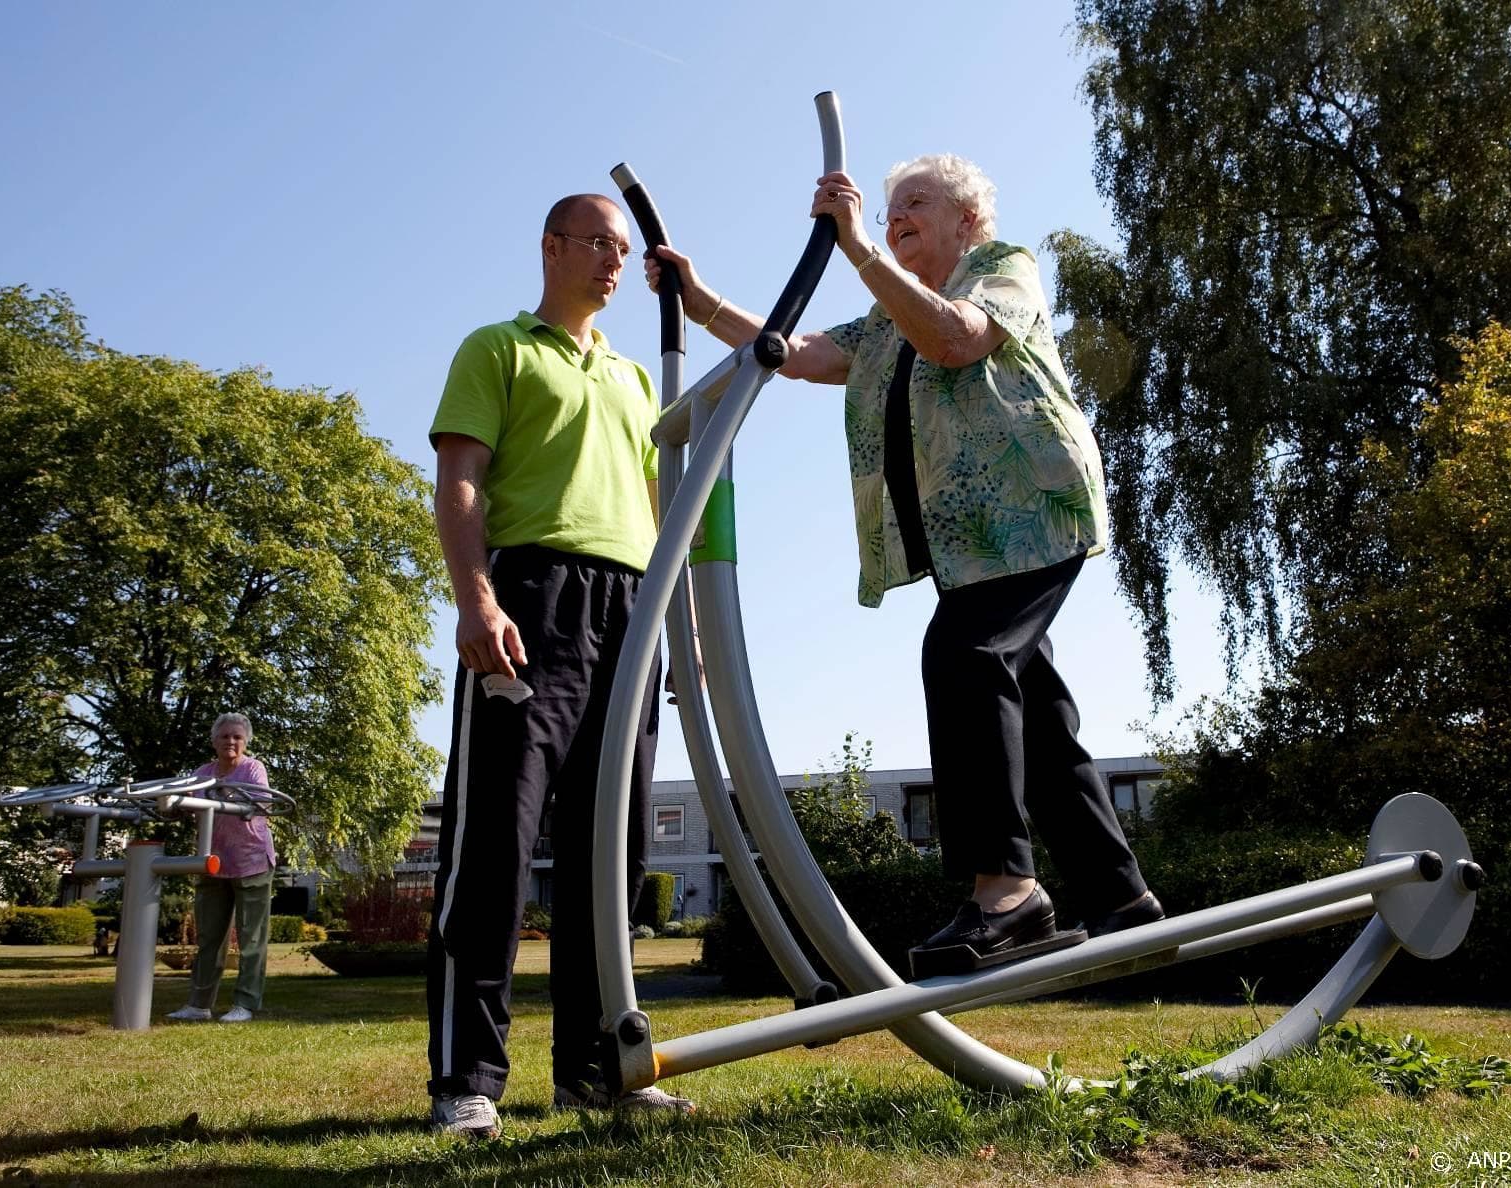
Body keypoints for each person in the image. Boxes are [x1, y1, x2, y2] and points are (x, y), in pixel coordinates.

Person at [647, 154, 1164, 979]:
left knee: (964, 655)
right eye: (887, 212)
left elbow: (959, 339)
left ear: (969, 219)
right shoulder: (889, 320)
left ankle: (1008, 891)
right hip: (968, 547)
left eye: (913, 203)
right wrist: (700, 299)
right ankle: (1120, 896)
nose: (893, 220)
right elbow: (802, 352)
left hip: (1033, 512)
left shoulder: (1004, 269)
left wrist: (858, 250)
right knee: (1032, 709)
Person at [425, 192, 693, 1140]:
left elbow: (666, 513)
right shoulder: (497, 348)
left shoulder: (634, 377)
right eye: (598, 244)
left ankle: (595, 1069)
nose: (614, 262)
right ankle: (467, 1079)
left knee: (609, 857)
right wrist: (478, 600)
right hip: (530, 600)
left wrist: (683, 636)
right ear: (551, 246)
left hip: (632, 608)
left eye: (624, 250)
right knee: (493, 846)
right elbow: (459, 479)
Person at [166, 711, 276, 1024]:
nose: (231, 741)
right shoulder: (203, 773)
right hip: (212, 861)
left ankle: (245, 1003)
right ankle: (199, 1004)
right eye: (225, 736)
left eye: (237, 737)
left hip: (251, 860)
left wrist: (234, 798)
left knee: (250, 937)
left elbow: (263, 804)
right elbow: (185, 807)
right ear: (214, 741)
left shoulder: (253, 769)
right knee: (209, 937)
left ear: (246, 742)